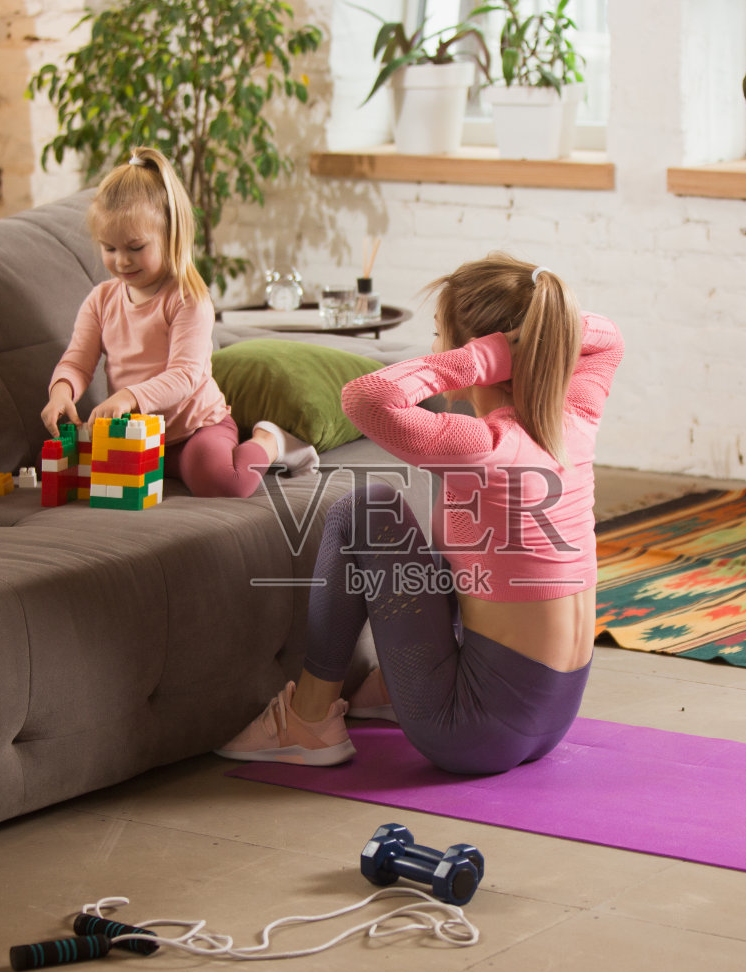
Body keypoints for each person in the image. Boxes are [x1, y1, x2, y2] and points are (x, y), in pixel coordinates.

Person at [215, 252, 623, 774]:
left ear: (472, 351)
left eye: (437, 335)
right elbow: (608, 337)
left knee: (366, 508)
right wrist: (520, 343)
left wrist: (479, 356)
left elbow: (366, 398)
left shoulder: (484, 443)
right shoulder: (575, 419)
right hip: (550, 723)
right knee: (450, 534)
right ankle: (388, 687)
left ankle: (307, 720)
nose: (433, 349)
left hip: (469, 733)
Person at [41, 146, 317, 494]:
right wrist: (61, 391)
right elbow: (78, 361)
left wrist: (128, 397)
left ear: (170, 234)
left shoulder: (187, 297)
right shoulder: (101, 300)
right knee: (80, 474)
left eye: (136, 247)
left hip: (196, 429)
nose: (122, 261)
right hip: (140, 437)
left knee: (225, 481)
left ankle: (272, 440)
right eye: (109, 249)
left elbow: (185, 375)